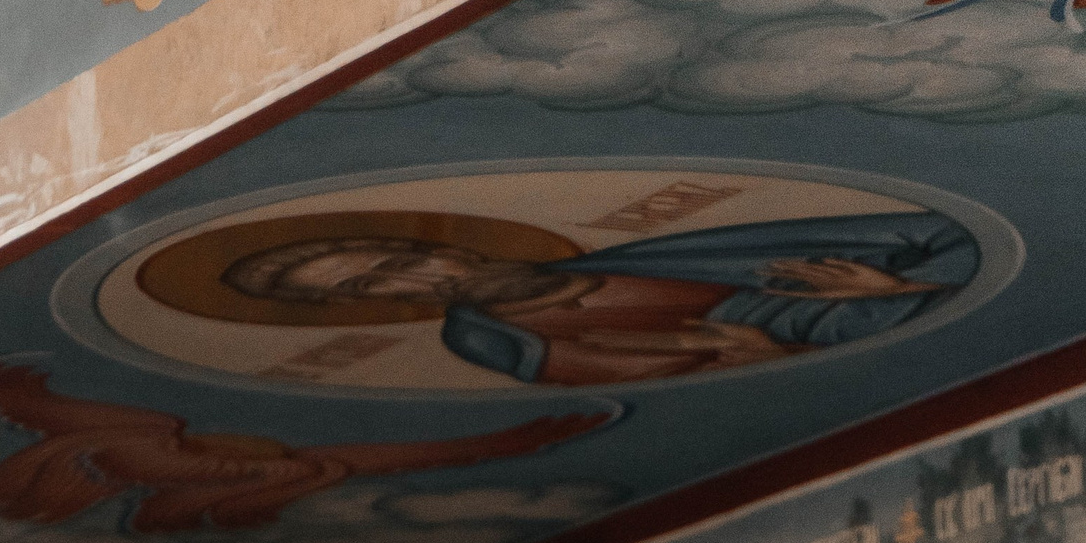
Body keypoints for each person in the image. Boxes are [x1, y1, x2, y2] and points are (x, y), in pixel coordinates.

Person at [224, 208, 979, 385]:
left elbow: (943, 238)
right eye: (372, 286)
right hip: (815, 341)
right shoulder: (490, 337)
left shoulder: (633, 257)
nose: (419, 280)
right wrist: (777, 355)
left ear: (444, 245)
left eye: (404, 258)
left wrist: (904, 284)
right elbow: (700, 367)